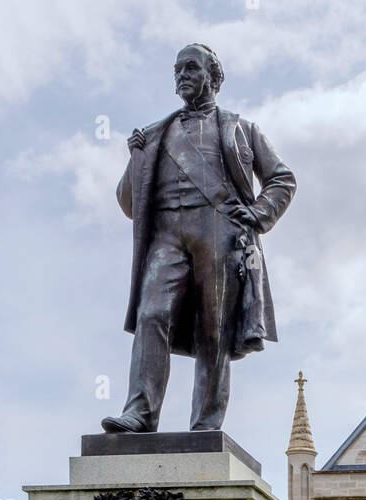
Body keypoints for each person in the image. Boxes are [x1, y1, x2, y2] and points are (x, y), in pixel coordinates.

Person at [102, 43, 295, 434]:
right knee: (151, 314)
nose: (181, 76)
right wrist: (135, 158)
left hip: (220, 232)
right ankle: (140, 412)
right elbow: (129, 205)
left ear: (214, 76)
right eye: (177, 70)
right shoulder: (157, 134)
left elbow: (282, 179)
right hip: (167, 235)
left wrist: (259, 213)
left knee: (214, 329)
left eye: (191, 68)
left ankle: (206, 424)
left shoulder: (242, 128)